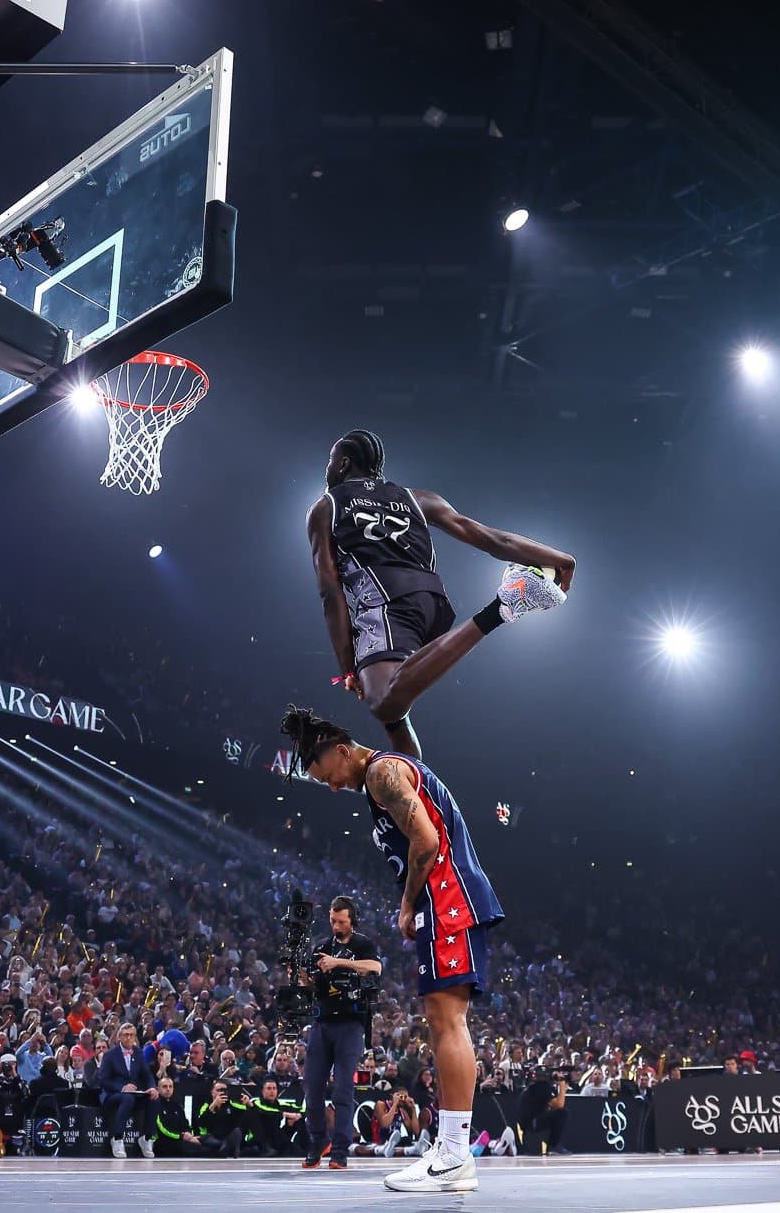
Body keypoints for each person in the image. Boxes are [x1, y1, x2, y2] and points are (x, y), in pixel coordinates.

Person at [282, 705, 504, 1193]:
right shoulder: (394, 766)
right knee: (441, 1020)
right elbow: (405, 738)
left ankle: (454, 1152)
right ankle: (449, 1149)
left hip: (447, 899)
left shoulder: (382, 771)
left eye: (329, 776)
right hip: (444, 901)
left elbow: (425, 839)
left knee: (448, 1022)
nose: (335, 787)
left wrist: (407, 904)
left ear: (342, 752)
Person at [307, 430, 574, 758]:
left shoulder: (326, 506)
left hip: (384, 602)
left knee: (383, 701)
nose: (328, 468)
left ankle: (503, 606)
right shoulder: (417, 498)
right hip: (432, 606)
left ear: (343, 464)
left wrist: (347, 667)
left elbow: (329, 591)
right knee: (394, 715)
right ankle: (415, 791)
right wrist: (558, 559)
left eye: (330, 462)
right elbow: (493, 540)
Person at [300, 896, 383, 1170]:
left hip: (350, 1023)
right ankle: (318, 1139)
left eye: (341, 921)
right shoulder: (322, 947)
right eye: (333, 921)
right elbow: (312, 986)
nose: (336, 926)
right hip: (322, 1022)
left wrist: (339, 963)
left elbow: (375, 967)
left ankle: (339, 1150)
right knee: (311, 1085)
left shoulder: (363, 944)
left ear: (352, 921)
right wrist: (302, 977)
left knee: (343, 1088)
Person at [96, 1023, 158, 1159]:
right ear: (119, 1037)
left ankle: (146, 1138)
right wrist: (123, 1088)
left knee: (153, 1098)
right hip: (112, 1094)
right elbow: (103, 1080)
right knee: (127, 1098)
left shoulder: (139, 1053)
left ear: (135, 1037)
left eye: (131, 1035)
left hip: (134, 1094)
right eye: (125, 1035)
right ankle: (117, 1138)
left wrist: (152, 1087)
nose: (128, 1038)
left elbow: (147, 1075)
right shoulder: (110, 1055)